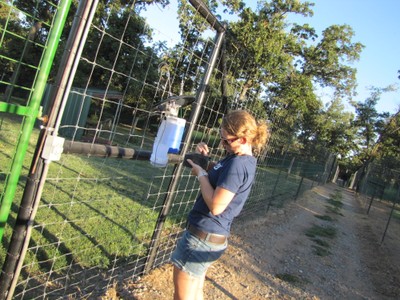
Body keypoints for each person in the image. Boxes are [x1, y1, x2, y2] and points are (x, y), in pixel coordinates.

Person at [171, 109, 269, 300]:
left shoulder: (237, 164)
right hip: (211, 237)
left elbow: (216, 206)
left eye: (227, 140)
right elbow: (222, 175)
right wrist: (205, 162)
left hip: (202, 238)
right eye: (221, 138)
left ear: (242, 139)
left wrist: (200, 174)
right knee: (194, 291)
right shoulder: (240, 159)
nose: (222, 144)